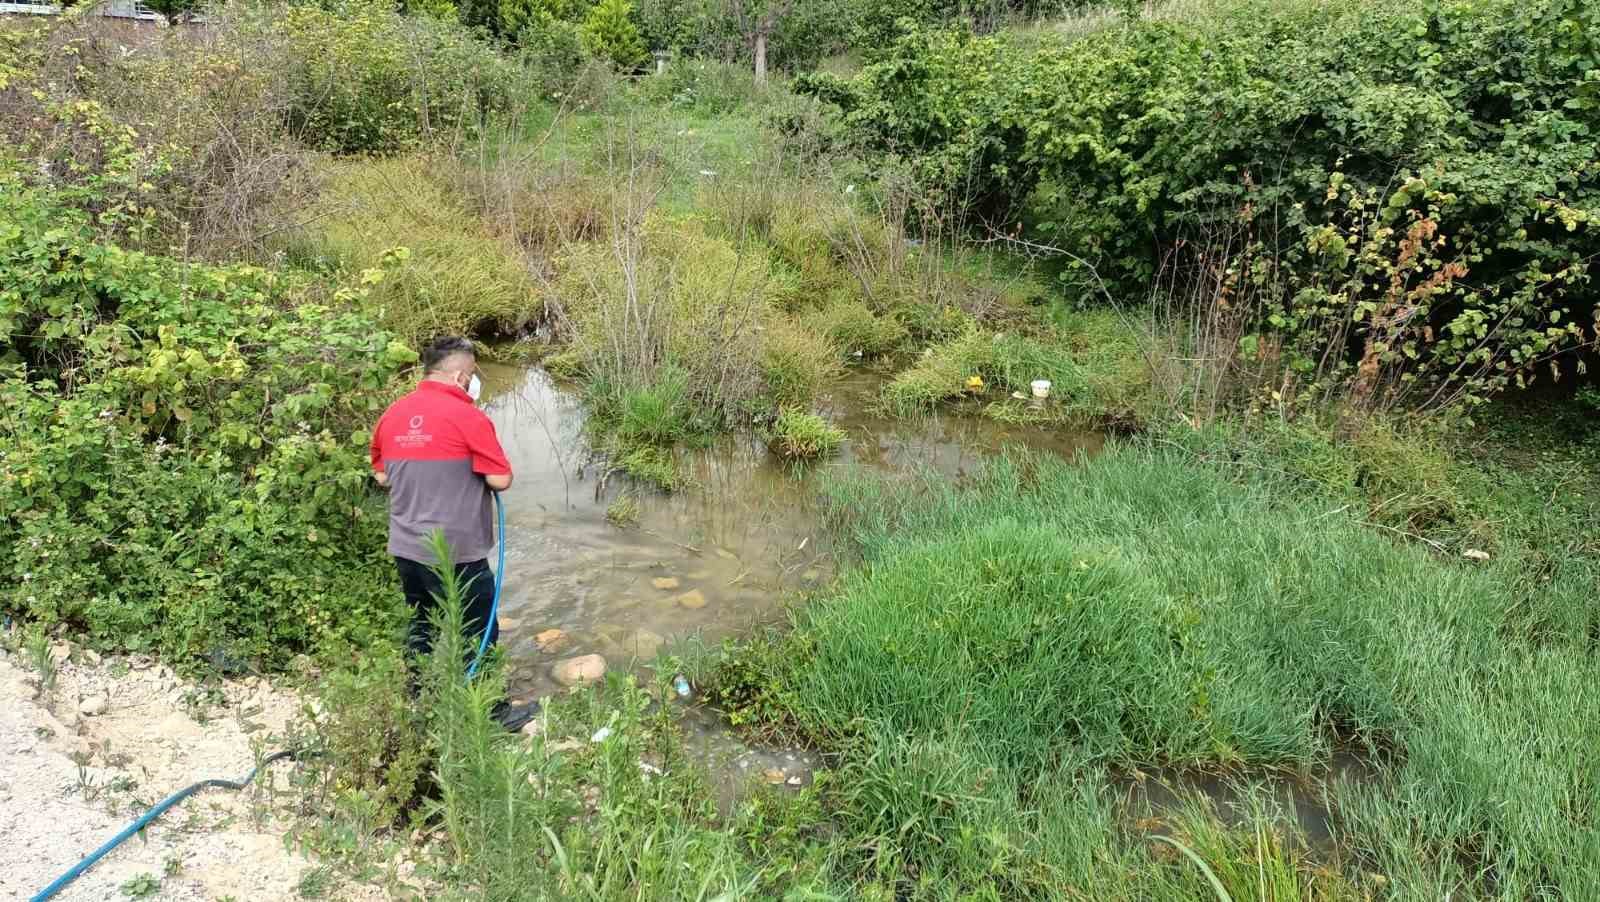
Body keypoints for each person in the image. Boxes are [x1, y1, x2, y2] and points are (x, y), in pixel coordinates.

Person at [370, 336, 533, 730]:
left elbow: (381, 475)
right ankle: (490, 714)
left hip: (406, 547)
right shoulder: (469, 417)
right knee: (479, 629)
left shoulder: (393, 414)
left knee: (423, 622)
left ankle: (417, 697)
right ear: (461, 374)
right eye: (473, 375)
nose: (473, 383)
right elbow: (500, 478)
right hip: (456, 551)